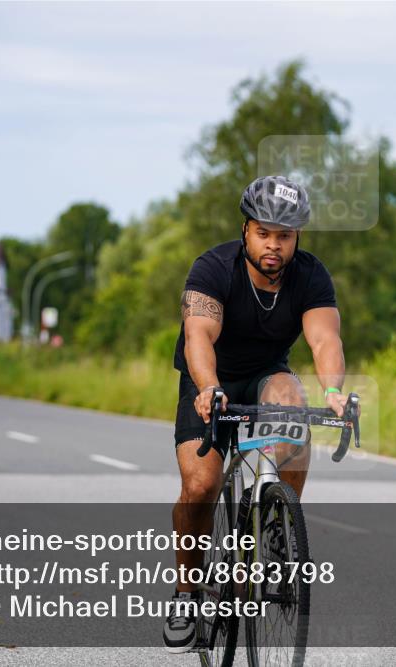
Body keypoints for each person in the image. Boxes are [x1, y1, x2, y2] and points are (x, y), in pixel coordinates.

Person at [163, 176, 350, 653]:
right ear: (246, 229)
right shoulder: (212, 268)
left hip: (268, 373)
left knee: (293, 398)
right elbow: (199, 336)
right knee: (202, 486)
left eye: (283, 237)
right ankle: (187, 591)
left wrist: (332, 391)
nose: (273, 245)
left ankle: (275, 527)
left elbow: (325, 339)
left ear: (297, 239)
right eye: (264, 233)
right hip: (210, 380)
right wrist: (208, 388)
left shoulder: (310, 276)